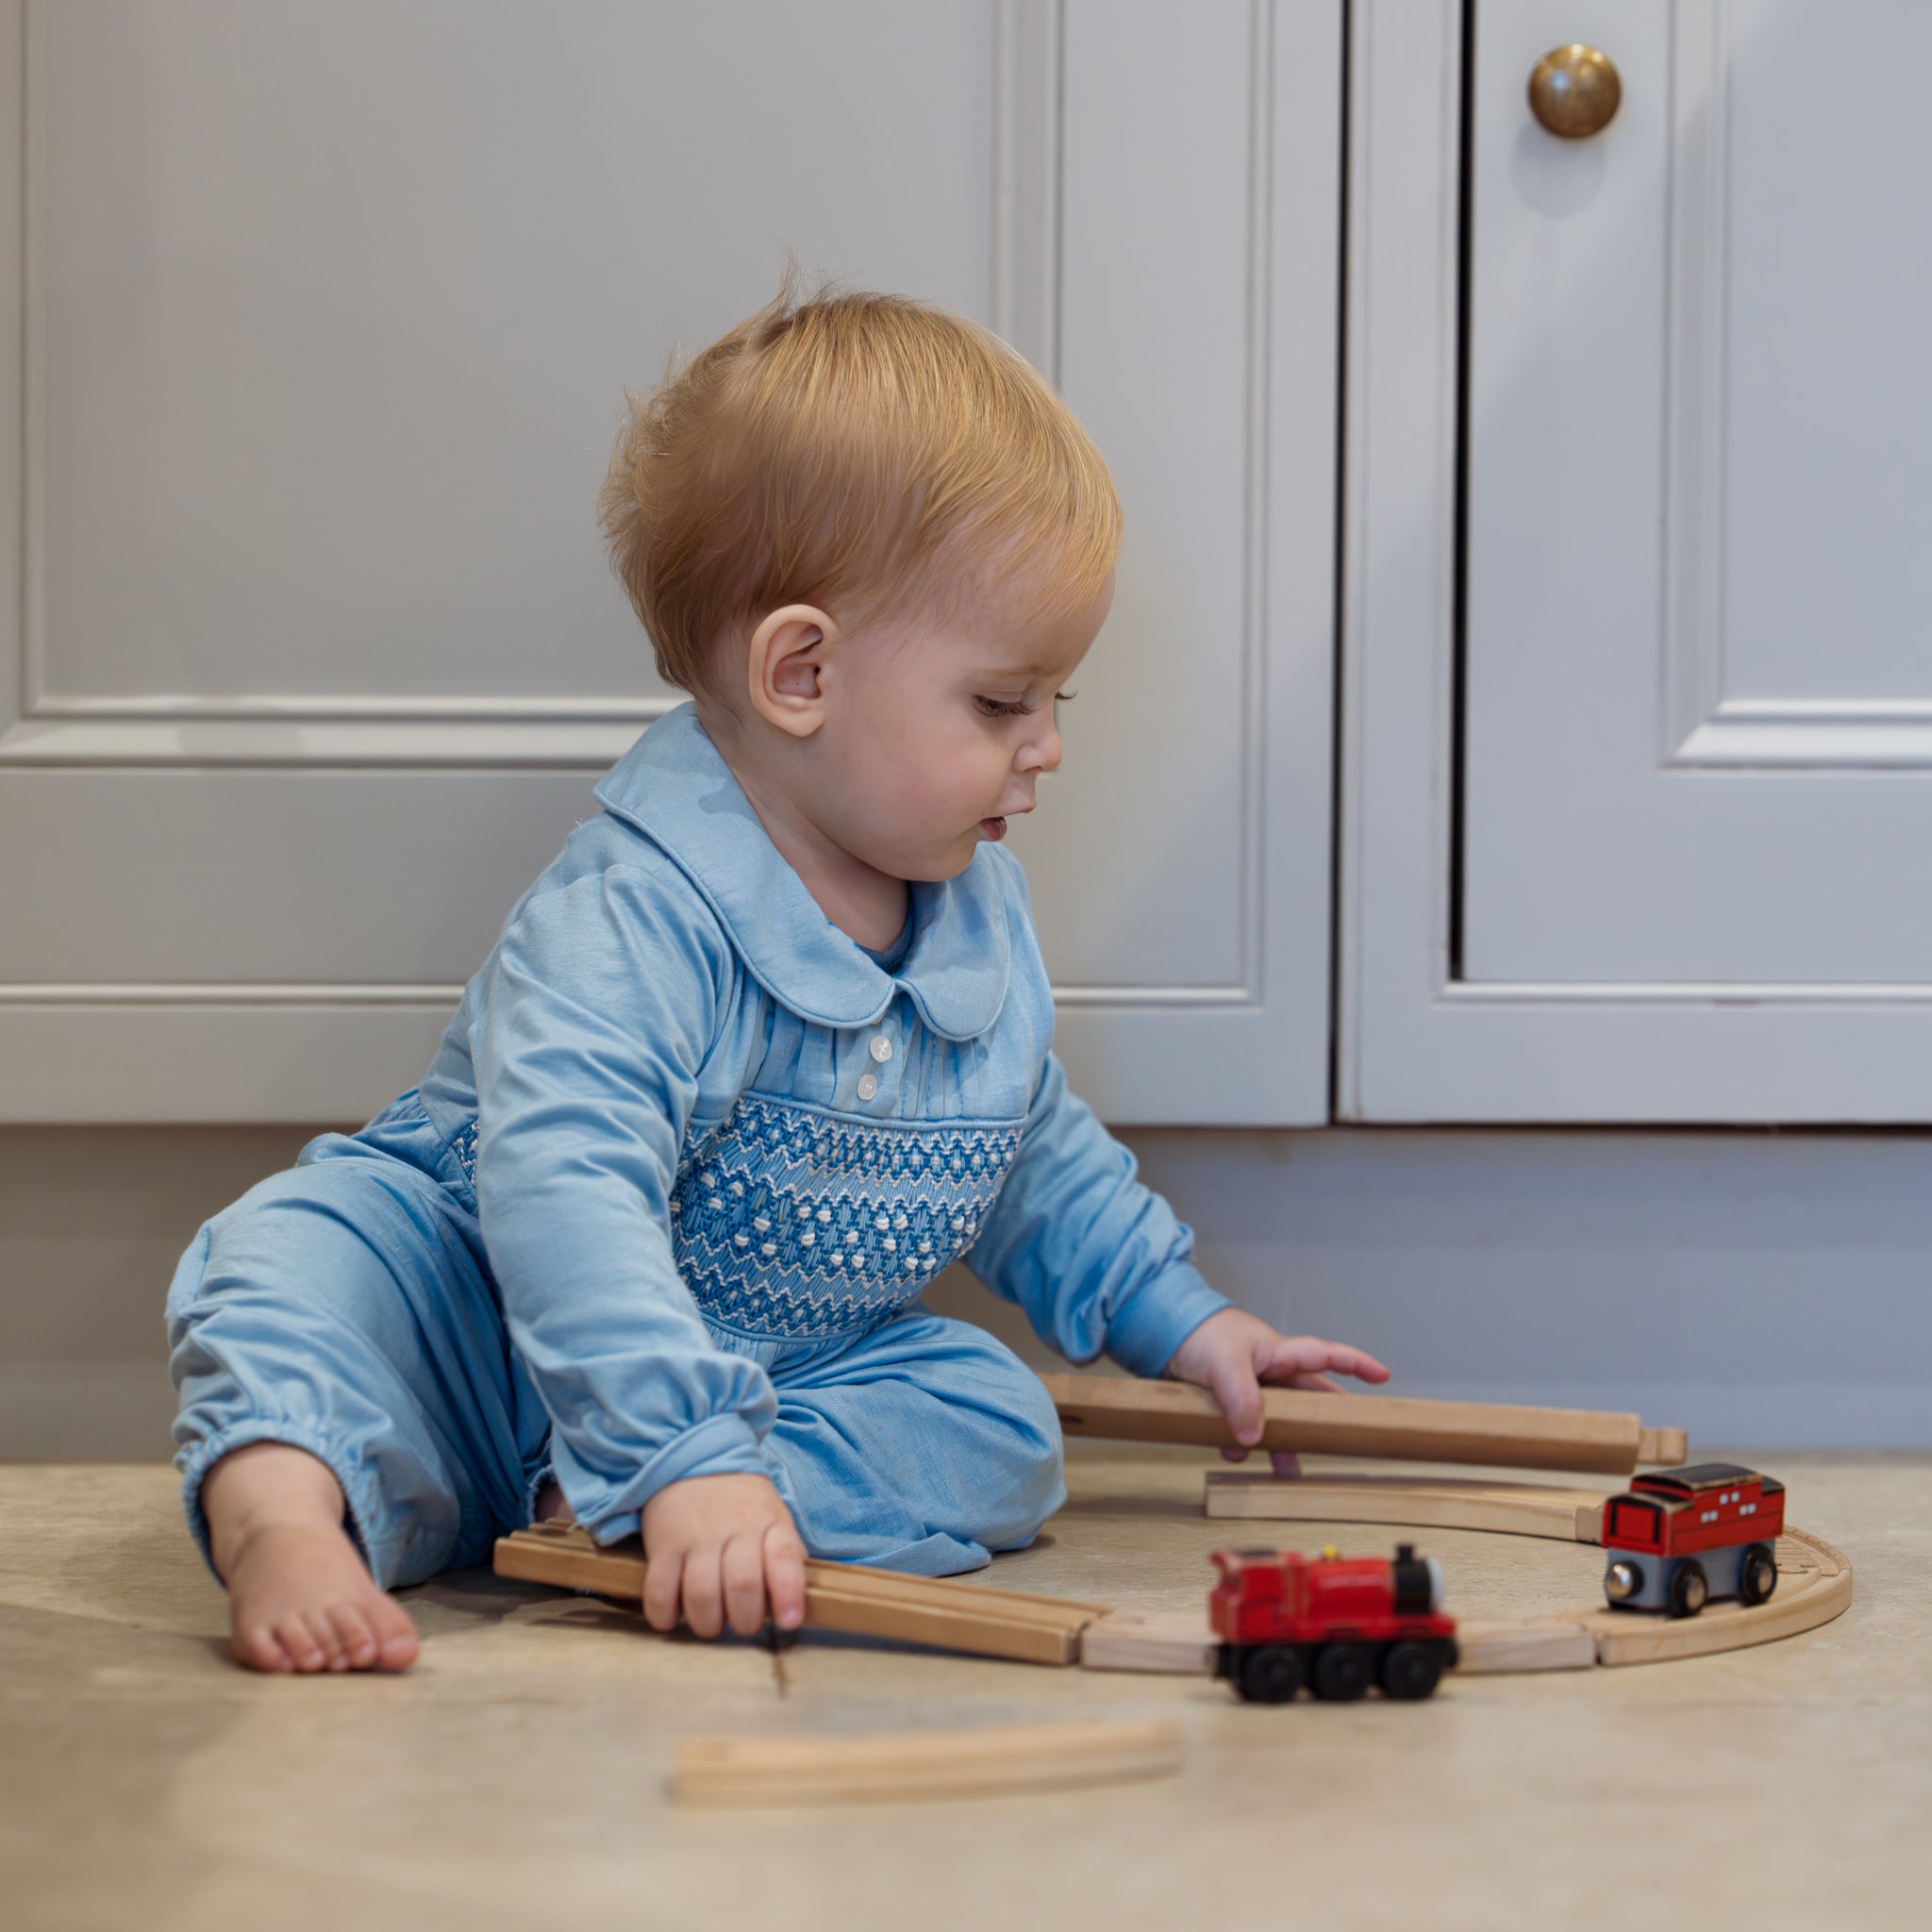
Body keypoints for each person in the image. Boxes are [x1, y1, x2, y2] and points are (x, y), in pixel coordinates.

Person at [166, 274, 1391, 1674]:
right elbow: (561, 1194)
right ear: (800, 672)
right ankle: (290, 1521)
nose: (1046, 743)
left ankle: (644, 1508)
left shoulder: (969, 909)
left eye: (1059, 700)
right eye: (1002, 702)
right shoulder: (634, 914)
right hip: (479, 1319)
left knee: (995, 1420)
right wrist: (677, 1444)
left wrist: (1188, 1322)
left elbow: (1026, 1150)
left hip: (768, 1375)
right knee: (292, 1268)